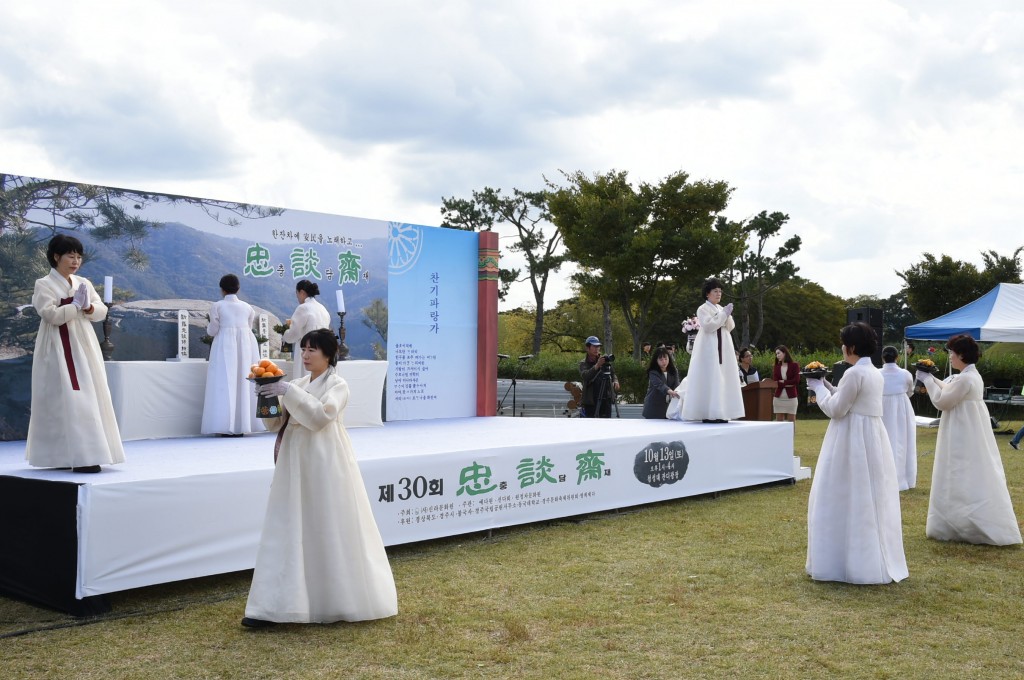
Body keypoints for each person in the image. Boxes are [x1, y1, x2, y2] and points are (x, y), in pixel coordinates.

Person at [243, 329, 398, 627]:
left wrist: (286, 391)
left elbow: (320, 417)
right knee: (287, 523)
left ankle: (334, 600)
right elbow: (274, 425)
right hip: (294, 459)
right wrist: (266, 399)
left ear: (329, 354)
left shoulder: (338, 385)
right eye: (303, 349)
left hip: (325, 460)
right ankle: (273, 606)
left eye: (312, 349)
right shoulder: (298, 383)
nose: (306, 355)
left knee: (325, 522)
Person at [805, 322, 908, 584]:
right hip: (872, 434)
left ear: (850, 347)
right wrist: (826, 383)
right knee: (866, 494)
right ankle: (866, 559)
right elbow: (847, 397)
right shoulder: (873, 372)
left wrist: (816, 388)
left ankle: (839, 560)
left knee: (841, 492)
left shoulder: (853, 373)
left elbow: (837, 409)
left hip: (851, 436)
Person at [25, 234, 125, 473]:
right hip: (57, 345)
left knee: (88, 395)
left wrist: (88, 306)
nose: (75, 261)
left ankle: (90, 453)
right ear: (56, 256)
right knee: (61, 397)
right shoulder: (44, 284)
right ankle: (63, 456)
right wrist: (75, 306)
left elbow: (100, 310)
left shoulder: (83, 283)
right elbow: (50, 315)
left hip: (83, 343)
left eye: (79, 256)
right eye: (71, 255)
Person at [916, 334, 1022, 545]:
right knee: (965, 473)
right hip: (967, 428)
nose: (950, 358)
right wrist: (933, 377)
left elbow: (942, 401)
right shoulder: (970, 375)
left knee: (959, 471)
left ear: (961, 354)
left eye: (952, 353)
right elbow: (949, 388)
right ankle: (960, 522)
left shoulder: (965, 378)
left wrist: (926, 379)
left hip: (962, 431)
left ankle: (964, 524)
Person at [201, 274, 265, 436]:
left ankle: (225, 426)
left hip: (225, 344)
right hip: (246, 345)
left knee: (224, 381)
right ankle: (243, 425)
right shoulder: (248, 307)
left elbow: (213, 330)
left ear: (222, 289)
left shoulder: (218, 306)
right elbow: (249, 327)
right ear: (238, 288)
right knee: (244, 382)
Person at [681, 278, 744, 423]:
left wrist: (726, 314)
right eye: (715, 291)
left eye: (720, 291)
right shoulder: (703, 308)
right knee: (712, 376)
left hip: (724, 346)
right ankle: (709, 412)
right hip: (709, 347)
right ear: (707, 293)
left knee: (724, 376)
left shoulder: (720, 308)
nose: (718, 294)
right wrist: (723, 315)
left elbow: (730, 326)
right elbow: (709, 326)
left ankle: (722, 412)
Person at [880, 345, 917, 490]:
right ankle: (902, 478)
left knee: (885, 441)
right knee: (902, 440)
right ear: (897, 357)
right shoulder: (905, 374)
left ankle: (886, 477)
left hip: (883, 408)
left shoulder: (878, 373)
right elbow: (910, 391)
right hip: (902, 408)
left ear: (882, 358)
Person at [282, 279, 332, 382]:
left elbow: (293, 335)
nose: (297, 298)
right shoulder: (323, 309)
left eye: (297, 294)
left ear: (301, 292)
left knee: (304, 384)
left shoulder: (303, 308)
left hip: (307, 352)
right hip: (322, 353)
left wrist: (284, 332)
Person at [579, 335, 619, 418]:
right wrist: (597, 365)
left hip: (605, 399)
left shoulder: (603, 360)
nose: (597, 349)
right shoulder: (583, 363)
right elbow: (585, 376)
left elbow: (612, 373)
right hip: (591, 401)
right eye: (594, 346)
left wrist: (615, 381)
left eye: (598, 347)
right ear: (587, 348)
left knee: (606, 425)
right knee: (592, 426)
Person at [642, 347, 681, 419]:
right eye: (661, 359)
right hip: (654, 407)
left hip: (669, 407)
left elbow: (676, 383)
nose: (664, 361)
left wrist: (678, 392)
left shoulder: (673, 370)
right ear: (656, 360)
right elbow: (659, 385)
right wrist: (670, 391)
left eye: (666, 359)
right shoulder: (653, 372)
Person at [772, 345, 800, 426]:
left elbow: (796, 381)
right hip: (778, 398)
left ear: (784, 353)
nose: (777, 356)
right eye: (776, 354)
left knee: (791, 423)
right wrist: (788, 383)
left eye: (778, 353)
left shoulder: (795, 365)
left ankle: (791, 439)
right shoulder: (776, 367)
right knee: (779, 424)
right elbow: (776, 381)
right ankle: (780, 439)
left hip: (791, 398)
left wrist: (783, 382)